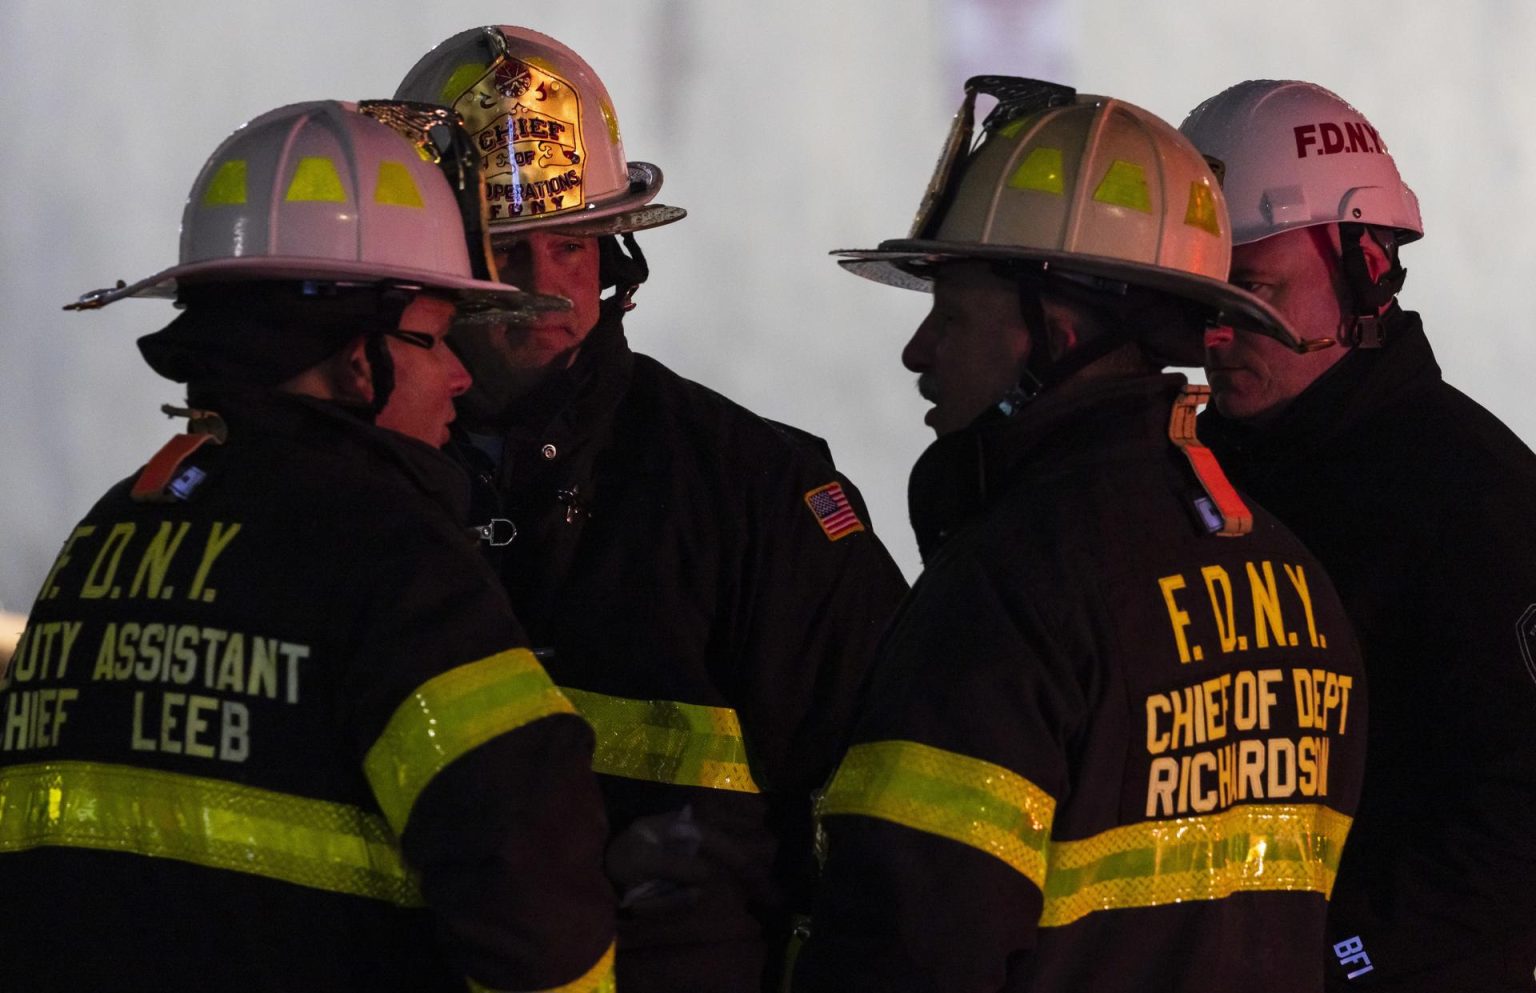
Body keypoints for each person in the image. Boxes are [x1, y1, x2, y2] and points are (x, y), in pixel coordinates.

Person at [0, 101, 615, 993]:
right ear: (356, 356)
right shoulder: (394, 559)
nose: (456, 374)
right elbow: (535, 889)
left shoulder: (106, 534)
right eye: (436, 338)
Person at [791, 77, 1368, 993]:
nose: (919, 350)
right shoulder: (1293, 579)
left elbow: (911, 941)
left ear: (1051, 330)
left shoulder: (1010, 584)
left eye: (953, 308)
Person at [391, 25, 911, 993]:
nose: (548, 285)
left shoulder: (754, 494)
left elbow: (899, 854)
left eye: (574, 242)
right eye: (506, 249)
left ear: (617, 249)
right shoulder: (365, 504)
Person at [1182, 80, 1536, 990]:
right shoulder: (1180, 478)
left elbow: (1514, 819)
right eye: (1200, 299)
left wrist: (1342, 961)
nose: (1217, 333)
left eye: (1253, 291)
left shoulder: (1474, 497)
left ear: (1365, 270)